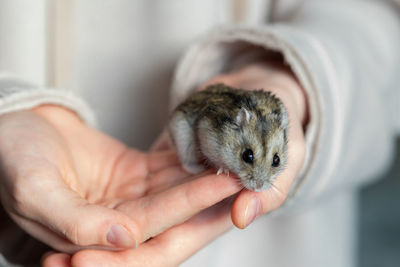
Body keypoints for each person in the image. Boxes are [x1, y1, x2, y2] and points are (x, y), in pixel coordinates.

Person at [0, 0, 399, 266]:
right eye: (247, 159)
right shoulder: (221, 127)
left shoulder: (270, 129)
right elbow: (199, 125)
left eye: (273, 162)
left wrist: (300, 81)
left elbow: (377, 18)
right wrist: (9, 109)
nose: (261, 179)